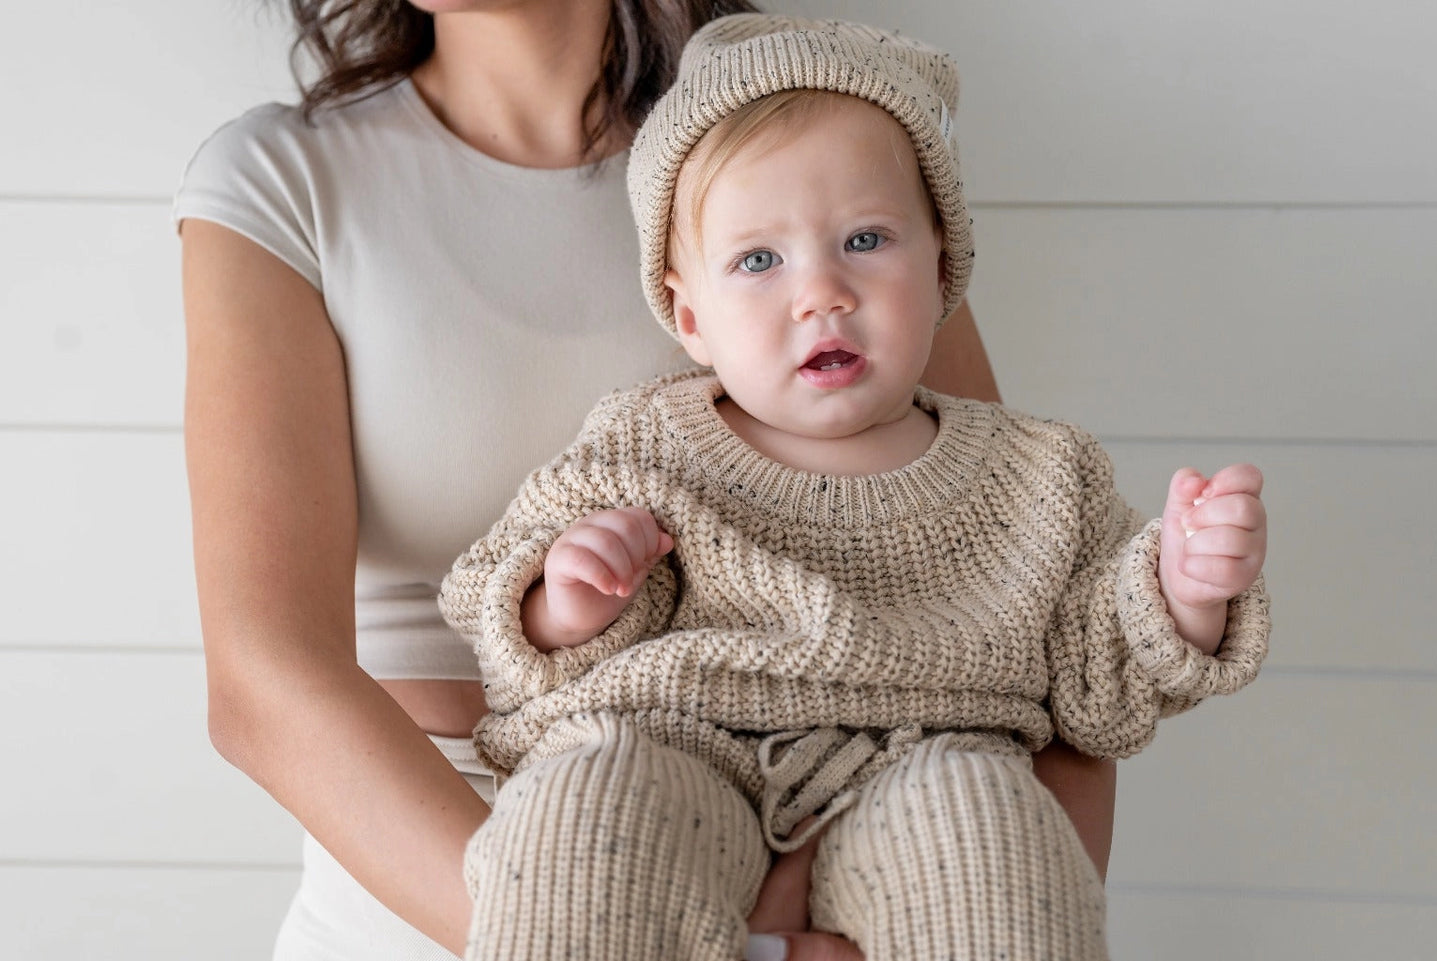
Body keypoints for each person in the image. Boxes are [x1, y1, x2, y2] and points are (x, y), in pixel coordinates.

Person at [176, 2, 1070, 959]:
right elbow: (265, 682)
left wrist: (1018, 901)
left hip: (841, 888)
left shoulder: (815, 140)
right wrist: (591, 932)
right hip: (429, 902)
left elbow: (1026, 601)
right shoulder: (283, 179)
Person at [438, 14, 1271, 961]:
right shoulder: (644, 443)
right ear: (688, 314)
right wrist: (570, 597)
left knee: (992, 834)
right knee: (578, 821)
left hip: (926, 754)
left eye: (866, 239)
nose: (821, 291)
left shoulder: (1036, 472)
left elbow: (1097, 679)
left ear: (944, 264)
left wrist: (1184, 589)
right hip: (669, 739)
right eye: (759, 259)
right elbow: (515, 637)